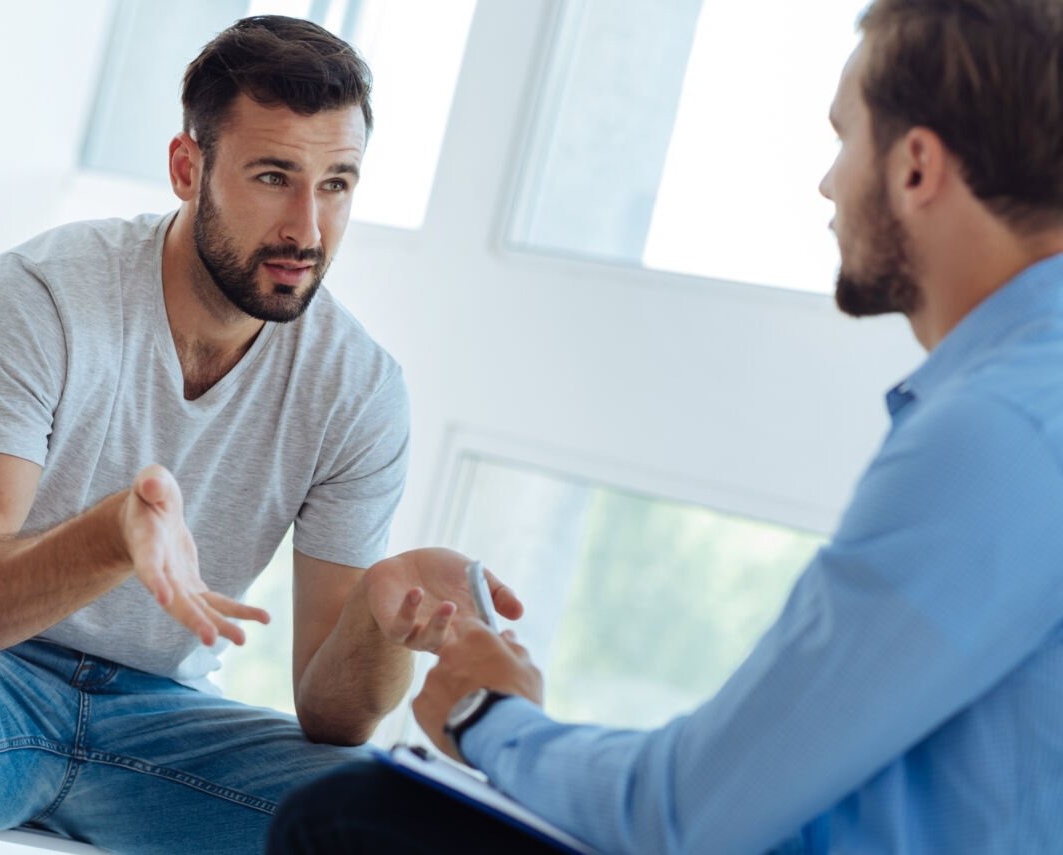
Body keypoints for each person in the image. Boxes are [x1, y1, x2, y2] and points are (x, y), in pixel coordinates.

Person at [267, 0, 1063, 852]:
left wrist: (486, 711)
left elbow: (686, 812)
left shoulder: (998, 433)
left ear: (914, 168)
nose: (829, 184)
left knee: (351, 821)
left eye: (844, 138)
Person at [0, 15, 522, 855]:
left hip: (157, 722)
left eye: (337, 184)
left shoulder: (359, 390)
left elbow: (331, 715)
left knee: (391, 810)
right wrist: (113, 536)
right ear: (189, 168)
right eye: (272, 175)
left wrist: (380, 616)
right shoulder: (42, 296)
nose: (308, 229)